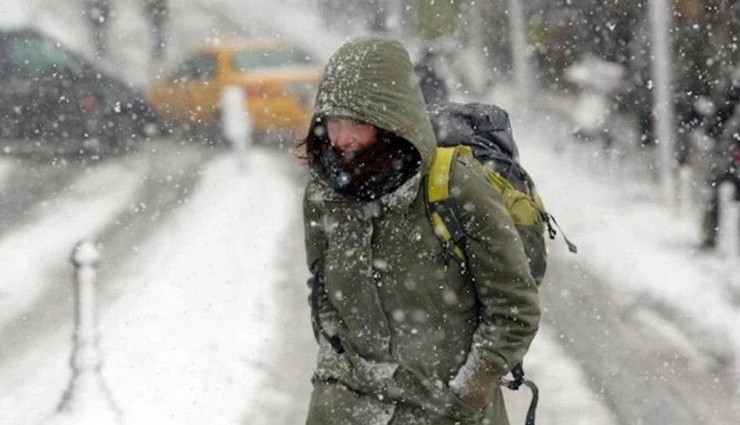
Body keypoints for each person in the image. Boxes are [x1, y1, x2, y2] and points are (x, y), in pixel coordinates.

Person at [301, 36, 540, 425]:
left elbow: (515, 311)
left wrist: (467, 395)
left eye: (357, 123)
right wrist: (335, 370)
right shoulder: (324, 191)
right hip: (347, 409)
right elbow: (323, 291)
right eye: (332, 122)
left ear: (391, 121)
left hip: (444, 411)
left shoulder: (456, 187)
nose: (340, 139)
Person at [699, 76, 740, 249]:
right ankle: (712, 234)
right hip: (727, 162)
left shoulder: (725, 110)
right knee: (719, 198)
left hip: (725, 162)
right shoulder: (728, 112)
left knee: (717, 197)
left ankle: (711, 234)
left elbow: (711, 130)